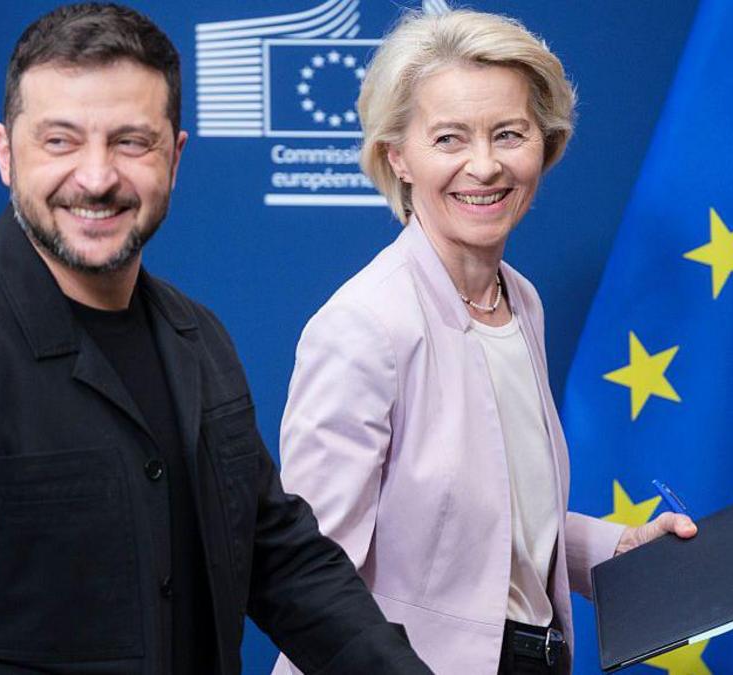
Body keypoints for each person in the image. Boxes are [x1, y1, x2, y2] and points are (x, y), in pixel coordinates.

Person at [0, 4, 431, 674]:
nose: (98, 177)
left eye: (131, 141)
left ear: (175, 155)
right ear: (4, 153)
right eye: (60, 141)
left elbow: (281, 558)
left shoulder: (201, 341)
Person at [271, 10, 697, 675]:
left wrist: (619, 549)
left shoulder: (519, 299)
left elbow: (477, 525)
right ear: (398, 157)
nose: (484, 164)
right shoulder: (364, 325)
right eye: (449, 137)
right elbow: (307, 581)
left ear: (545, 145)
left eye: (508, 133)